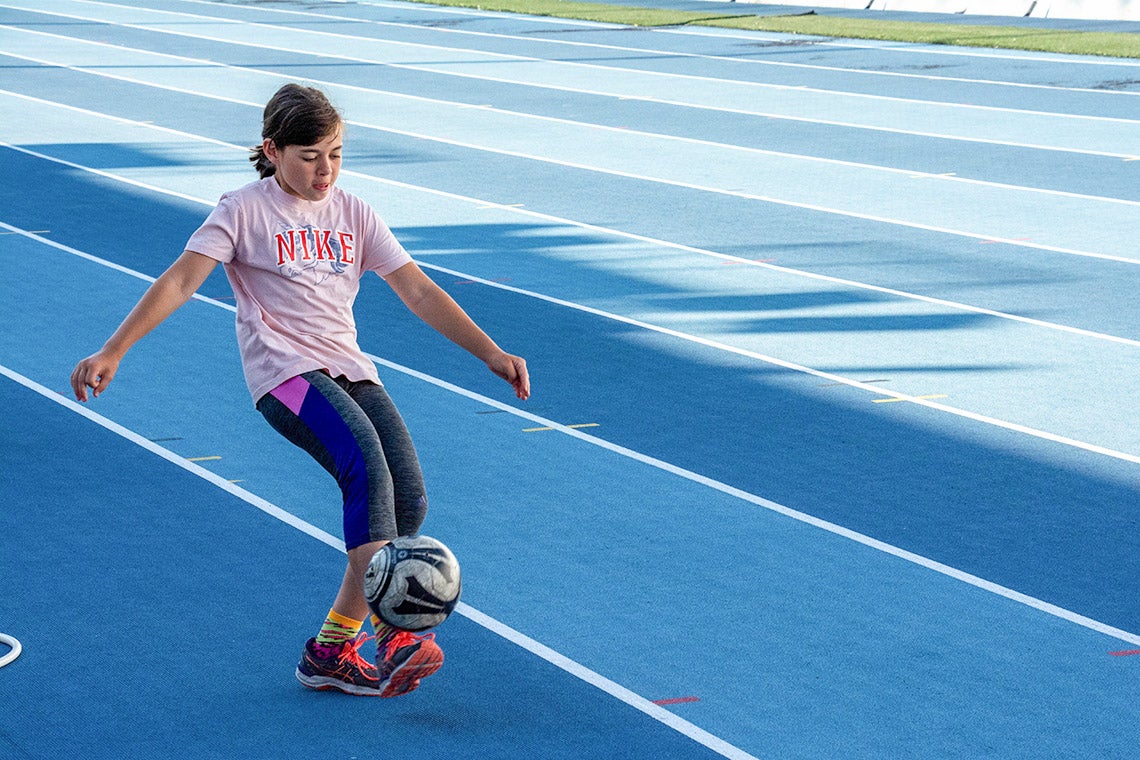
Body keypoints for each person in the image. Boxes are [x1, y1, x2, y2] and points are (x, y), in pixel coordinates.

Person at [70, 83, 530, 698]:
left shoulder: (354, 212)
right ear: (272, 150)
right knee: (366, 471)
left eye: (336, 154)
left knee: (407, 503)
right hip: (285, 376)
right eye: (311, 155)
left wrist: (490, 352)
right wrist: (114, 349)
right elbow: (182, 280)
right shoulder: (242, 210)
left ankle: (330, 651)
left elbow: (418, 290)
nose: (326, 169)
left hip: (351, 367)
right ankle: (396, 630)